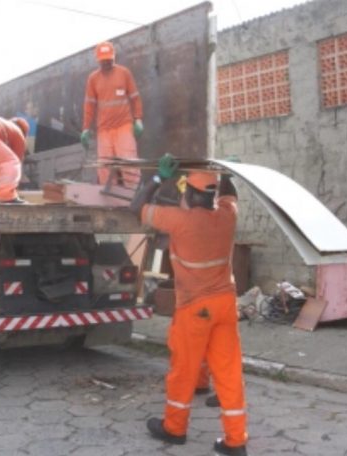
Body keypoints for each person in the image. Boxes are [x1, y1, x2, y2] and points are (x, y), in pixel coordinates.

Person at [131, 161, 248, 456]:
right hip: (225, 305)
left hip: (195, 307)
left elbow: (137, 207)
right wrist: (225, 172)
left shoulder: (178, 220)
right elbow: (230, 195)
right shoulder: (226, 216)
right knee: (229, 371)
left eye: (185, 190)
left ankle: (175, 428)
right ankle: (236, 441)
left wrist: (159, 177)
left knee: (183, 369)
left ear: (193, 195)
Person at [81, 41, 143, 188]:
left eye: (109, 59)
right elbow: (89, 104)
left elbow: (135, 97)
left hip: (124, 126)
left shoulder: (124, 73)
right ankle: (109, 201)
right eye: (104, 60)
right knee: (105, 167)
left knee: (129, 164)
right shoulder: (93, 79)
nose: (107, 63)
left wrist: (138, 119)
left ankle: (134, 197)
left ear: (114, 57)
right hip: (104, 130)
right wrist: (85, 128)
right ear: (98, 60)